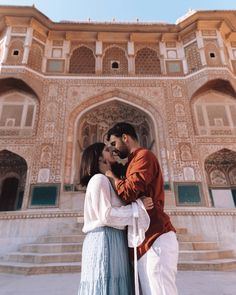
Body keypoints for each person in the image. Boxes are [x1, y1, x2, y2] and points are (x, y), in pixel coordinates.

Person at [105, 122, 179, 295]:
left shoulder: (143, 156)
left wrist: (110, 176)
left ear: (125, 138)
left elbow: (128, 192)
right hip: (143, 239)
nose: (114, 150)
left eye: (114, 144)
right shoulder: (131, 163)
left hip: (156, 236)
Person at [78, 142, 152, 295]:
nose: (111, 151)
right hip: (104, 240)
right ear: (99, 159)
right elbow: (106, 215)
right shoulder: (99, 180)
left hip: (113, 239)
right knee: (106, 287)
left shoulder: (106, 180)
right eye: (106, 150)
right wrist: (138, 207)